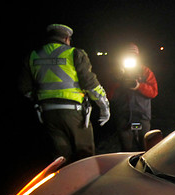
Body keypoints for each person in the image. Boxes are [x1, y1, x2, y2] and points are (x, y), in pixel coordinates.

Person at [19, 24, 110, 162]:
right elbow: (90, 84)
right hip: (74, 114)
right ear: (67, 38)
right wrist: (104, 107)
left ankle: (63, 183)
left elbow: (24, 88)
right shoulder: (74, 54)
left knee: (60, 158)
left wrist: (41, 98)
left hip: (47, 114)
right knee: (84, 156)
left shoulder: (32, 56)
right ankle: (85, 183)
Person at [108, 43, 158, 151]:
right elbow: (110, 96)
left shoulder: (145, 72)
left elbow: (154, 92)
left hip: (142, 116)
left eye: (134, 55)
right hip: (124, 117)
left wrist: (139, 86)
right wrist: (118, 80)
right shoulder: (118, 72)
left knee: (146, 148)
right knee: (126, 149)